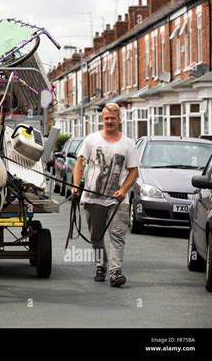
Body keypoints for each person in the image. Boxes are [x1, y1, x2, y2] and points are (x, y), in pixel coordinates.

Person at [72, 103, 139, 287]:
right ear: (103, 119)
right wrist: (76, 186)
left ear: (119, 120)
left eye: (113, 118)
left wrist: (124, 190)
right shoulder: (91, 140)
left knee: (117, 235)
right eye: (107, 118)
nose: (110, 121)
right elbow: (80, 163)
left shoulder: (128, 144)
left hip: (118, 200)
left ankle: (116, 272)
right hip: (93, 198)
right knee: (96, 236)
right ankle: (100, 264)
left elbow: (134, 171)